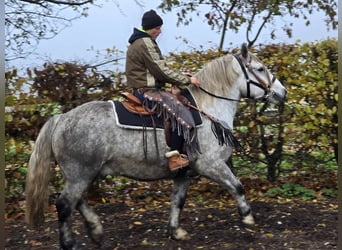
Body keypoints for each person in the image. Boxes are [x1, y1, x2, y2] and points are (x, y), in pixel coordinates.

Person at [125, 9, 200, 171]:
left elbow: (158, 69)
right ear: (150, 28)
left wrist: (179, 74)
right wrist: (187, 80)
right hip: (148, 91)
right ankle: (174, 157)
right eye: (157, 28)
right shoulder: (145, 42)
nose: (160, 31)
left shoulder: (137, 42)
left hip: (142, 89)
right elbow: (161, 71)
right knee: (180, 112)